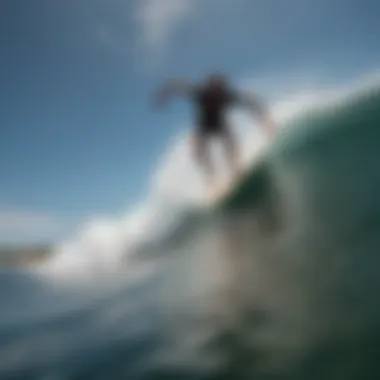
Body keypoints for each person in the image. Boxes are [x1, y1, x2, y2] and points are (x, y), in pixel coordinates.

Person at [153, 74, 275, 192]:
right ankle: (211, 178)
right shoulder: (201, 93)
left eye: (219, 88)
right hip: (204, 127)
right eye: (214, 87)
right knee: (198, 152)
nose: (217, 92)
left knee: (231, 141)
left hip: (219, 126)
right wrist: (163, 95)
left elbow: (251, 104)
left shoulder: (227, 96)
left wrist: (265, 122)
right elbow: (179, 86)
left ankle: (236, 169)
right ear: (210, 87)